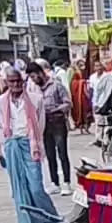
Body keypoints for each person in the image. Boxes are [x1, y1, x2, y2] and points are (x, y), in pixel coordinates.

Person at [0, 69, 65, 223]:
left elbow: (40, 125)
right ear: (7, 82)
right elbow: (3, 124)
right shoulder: (0, 101)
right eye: (12, 82)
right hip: (12, 145)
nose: (16, 85)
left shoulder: (35, 99)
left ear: (23, 81)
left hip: (30, 143)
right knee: (20, 188)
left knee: (36, 188)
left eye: (18, 81)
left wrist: (37, 145)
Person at [33, 62, 73, 195]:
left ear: (40, 73)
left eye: (34, 77)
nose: (33, 80)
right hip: (44, 123)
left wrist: (56, 109)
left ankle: (66, 182)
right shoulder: (35, 89)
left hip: (57, 121)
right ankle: (54, 182)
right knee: (49, 154)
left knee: (62, 153)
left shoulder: (57, 85)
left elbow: (67, 103)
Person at [70, 57, 94, 134]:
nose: (82, 66)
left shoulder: (84, 72)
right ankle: (81, 127)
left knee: (87, 110)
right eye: (80, 64)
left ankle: (86, 126)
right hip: (78, 96)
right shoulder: (75, 72)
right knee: (80, 110)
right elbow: (73, 83)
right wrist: (82, 82)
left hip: (84, 95)